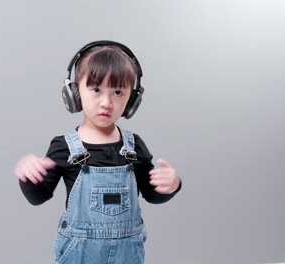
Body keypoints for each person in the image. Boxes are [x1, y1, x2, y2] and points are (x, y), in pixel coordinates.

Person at [14, 40, 182, 264]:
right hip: (79, 255)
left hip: (127, 256)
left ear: (132, 100)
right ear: (74, 93)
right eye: (95, 89)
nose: (106, 102)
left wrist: (171, 185)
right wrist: (28, 177)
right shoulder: (64, 146)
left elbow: (152, 194)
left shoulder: (135, 147)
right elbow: (38, 197)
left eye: (118, 92)